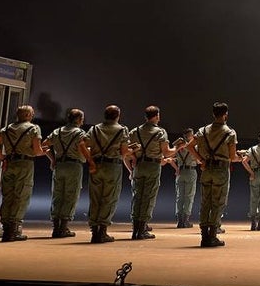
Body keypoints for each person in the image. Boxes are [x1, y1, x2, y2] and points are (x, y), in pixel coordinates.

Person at [0, 104, 45, 242]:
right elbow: (37, 151)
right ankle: (14, 229)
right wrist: (45, 152)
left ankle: (6, 228)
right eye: (31, 114)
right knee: (21, 195)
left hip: (9, 163)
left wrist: (2, 157)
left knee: (8, 195)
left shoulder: (7, 129)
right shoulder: (34, 128)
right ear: (28, 115)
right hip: (25, 164)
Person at [78, 104, 132, 244]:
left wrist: (90, 161)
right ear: (118, 115)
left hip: (96, 165)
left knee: (95, 198)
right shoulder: (122, 130)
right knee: (109, 197)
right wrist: (131, 150)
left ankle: (94, 229)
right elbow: (124, 152)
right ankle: (102, 230)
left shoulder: (95, 128)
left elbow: (81, 144)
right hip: (113, 166)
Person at [188, 101, 239, 247]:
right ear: (226, 115)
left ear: (213, 114)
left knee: (205, 202)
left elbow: (189, 146)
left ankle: (204, 235)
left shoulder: (203, 131)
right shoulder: (230, 132)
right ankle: (212, 235)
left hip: (206, 169)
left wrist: (200, 159)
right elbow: (231, 156)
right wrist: (240, 157)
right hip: (221, 170)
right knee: (218, 202)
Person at [127, 105, 179, 240]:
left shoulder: (135, 131)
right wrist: (178, 147)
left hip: (139, 165)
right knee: (148, 197)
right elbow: (167, 152)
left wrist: (134, 161)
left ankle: (135, 228)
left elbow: (128, 152)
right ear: (157, 116)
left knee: (137, 196)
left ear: (145, 116)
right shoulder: (160, 132)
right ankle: (142, 229)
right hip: (153, 166)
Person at [42, 107, 87, 238]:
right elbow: (83, 148)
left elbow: (44, 145)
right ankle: (63, 227)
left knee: (57, 195)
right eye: (82, 119)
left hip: (59, 165)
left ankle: (55, 227)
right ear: (78, 119)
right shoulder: (80, 133)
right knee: (70, 195)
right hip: (74, 165)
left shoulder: (58, 132)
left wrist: (53, 159)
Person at [163, 128, 200, 228]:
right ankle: (186, 220)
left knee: (180, 197)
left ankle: (179, 221)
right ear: (191, 136)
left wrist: (177, 169)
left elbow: (170, 158)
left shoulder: (178, 146)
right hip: (191, 171)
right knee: (189, 196)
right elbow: (198, 161)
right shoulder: (195, 147)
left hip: (180, 172)